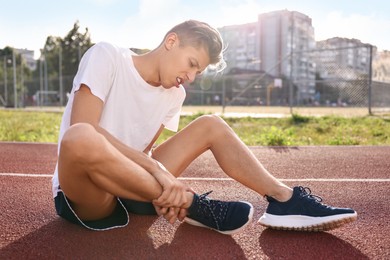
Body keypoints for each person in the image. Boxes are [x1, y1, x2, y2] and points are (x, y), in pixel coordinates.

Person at [52, 20, 357, 234]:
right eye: (192, 63)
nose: (192, 76)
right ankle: (191, 203)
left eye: (199, 71)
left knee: (211, 123)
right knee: (80, 136)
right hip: (89, 192)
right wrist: (159, 172)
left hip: (135, 186)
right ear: (171, 42)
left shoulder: (175, 93)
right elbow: (84, 126)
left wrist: (156, 169)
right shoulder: (107, 55)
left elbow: (144, 151)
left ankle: (285, 200)